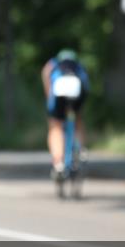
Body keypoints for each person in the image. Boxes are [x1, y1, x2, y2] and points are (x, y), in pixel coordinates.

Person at [41, 49, 90, 182]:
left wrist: (49, 96)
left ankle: (58, 163)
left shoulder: (54, 63)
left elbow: (46, 73)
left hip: (59, 92)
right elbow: (86, 86)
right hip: (77, 93)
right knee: (78, 119)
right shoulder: (78, 66)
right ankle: (81, 150)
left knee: (55, 126)